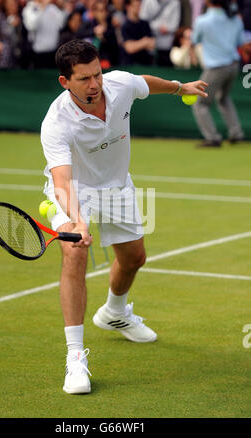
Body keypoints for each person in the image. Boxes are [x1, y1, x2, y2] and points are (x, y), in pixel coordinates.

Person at [40, 39, 208, 394]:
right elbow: (62, 182)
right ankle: (75, 359)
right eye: (84, 78)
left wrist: (181, 88)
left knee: (135, 258)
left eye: (97, 74)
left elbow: (145, 82)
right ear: (64, 81)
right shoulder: (56, 122)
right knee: (74, 253)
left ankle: (114, 313)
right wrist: (79, 221)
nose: (95, 84)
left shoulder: (119, 84)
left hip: (117, 187)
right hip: (75, 191)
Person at [192, 0, 245, 147]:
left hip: (216, 67)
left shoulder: (202, 21)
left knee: (200, 103)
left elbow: (195, 39)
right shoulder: (235, 19)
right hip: (233, 66)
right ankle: (236, 133)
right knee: (223, 98)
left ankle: (212, 137)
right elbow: (241, 41)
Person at [139, 0, 181, 66]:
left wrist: (167, 29)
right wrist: (157, 27)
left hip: (166, 44)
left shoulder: (174, 2)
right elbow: (142, 19)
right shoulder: (147, 1)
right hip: (149, 43)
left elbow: (175, 25)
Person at [121, 0, 155, 65]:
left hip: (145, 63)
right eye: (135, 6)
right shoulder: (124, 25)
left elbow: (152, 44)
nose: (138, 8)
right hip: (129, 65)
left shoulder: (145, 24)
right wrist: (144, 41)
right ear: (128, 7)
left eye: (139, 6)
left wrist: (137, 44)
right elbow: (129, 48)